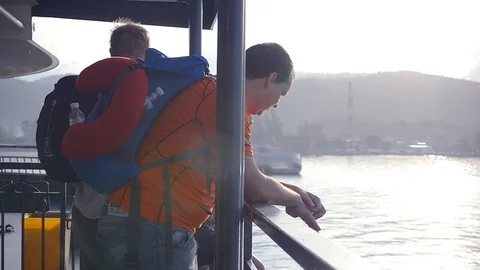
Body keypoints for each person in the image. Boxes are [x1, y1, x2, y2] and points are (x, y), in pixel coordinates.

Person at [95, 42, 326, 269]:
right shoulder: (227, 103)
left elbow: (238, 176)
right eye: (282, 94)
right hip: (157, 230)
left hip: (134, 219)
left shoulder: (208, 91)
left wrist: (294, 191)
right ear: (270, 79)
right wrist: (295, 200)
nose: (276, 105)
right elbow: (253, 185)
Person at [71, 18, 150, 270]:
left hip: (88, 204)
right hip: (134, 208)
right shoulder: (154, 88)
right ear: (144, 49)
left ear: (111, 52)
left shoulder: (87, 86)